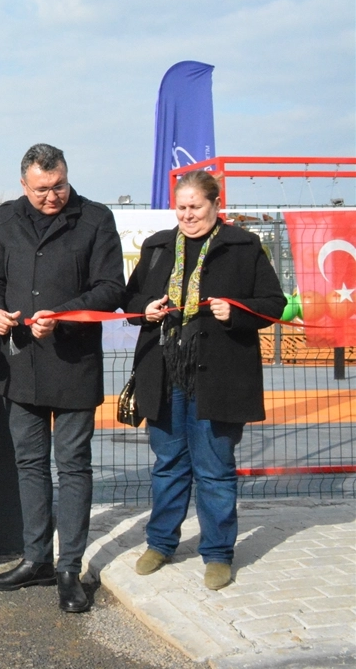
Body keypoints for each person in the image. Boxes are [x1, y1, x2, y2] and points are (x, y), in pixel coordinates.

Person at [124, 170, 284, 591]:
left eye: (196, 207)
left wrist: (239, 313)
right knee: (169, 465)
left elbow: (274, 304)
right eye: (182, 207)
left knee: (214, 469)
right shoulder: (158, 246)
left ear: (216, 205)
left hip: (221, 375)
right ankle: (160, 544)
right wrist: (148, 309)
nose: (188, 215)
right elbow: (129, 300)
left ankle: (218, 554)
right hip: (164, 372)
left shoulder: (243, 246)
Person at [0, 144, 125, 613]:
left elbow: (111, 290)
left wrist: (61, 316)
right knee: (29, 464)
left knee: (72, 465)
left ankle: (70, 568)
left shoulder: (96, 219)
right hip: (21, 364)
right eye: (42, 188)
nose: (53, 195)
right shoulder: (5, 219)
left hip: (73, 363)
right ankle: (36, 559)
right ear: (24, 185)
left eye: (59, 185)